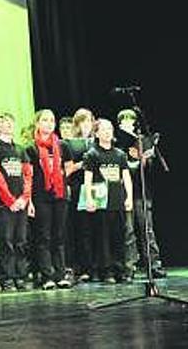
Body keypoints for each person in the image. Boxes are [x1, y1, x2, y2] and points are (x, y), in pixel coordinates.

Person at [116, 108, 166, 279]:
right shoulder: (118, 142)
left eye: (131, 119)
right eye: (124, 119)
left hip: (143, 191)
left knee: (147, 229)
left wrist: (144, 159)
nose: (128, 122)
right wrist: (129, 158)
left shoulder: (142, 139)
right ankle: (129, 266)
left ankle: (154, 264)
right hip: (125, 193)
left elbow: (151, 170)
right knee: (128, 231)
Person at [26, 109, 73, 289]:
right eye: (45, 120)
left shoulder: (62, 145)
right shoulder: (31, 148)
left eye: (52, 120)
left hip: (59, 195)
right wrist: (29, 201)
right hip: (41, 197)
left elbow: (67, 167)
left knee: (59, 236)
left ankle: (61, 274)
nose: (49, 123)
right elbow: (28, 176)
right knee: (43, 237)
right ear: (38, 123)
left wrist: (58, 177)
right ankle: (47, 276)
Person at [82, 119, 132, 283]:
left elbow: (126, 178)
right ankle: (106, 270)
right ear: (96, 133)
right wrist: (89, 198)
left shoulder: (120, 154)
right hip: (101, 201)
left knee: (119, 235)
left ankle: (120, 269)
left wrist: (129, 197)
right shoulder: (92, 154)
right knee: (102, 236)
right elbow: (87, 179)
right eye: (103, 130)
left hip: (117, 200)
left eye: (109, 129)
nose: (107, 132)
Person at [0, 113, 33, 291]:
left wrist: (24, 198)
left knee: (20, 240)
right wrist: (9, 200)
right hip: (4, 204)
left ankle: (20, 275)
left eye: (11, 122)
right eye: (4, 123)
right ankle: (7, 277)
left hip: (20, 202)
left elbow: (28, 175)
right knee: (6, 240)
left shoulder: (20, 150)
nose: (8, 125)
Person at [63, 108, 94, 281]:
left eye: (88, 121)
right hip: (76, 187)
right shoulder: (69, 143)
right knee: (77, 228)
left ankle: (92, 267)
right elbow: (67, 170)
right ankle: (77, 267)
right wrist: (83, 163)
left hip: (95, 189)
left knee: (91, 230)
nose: (86, 125)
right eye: (82, 121)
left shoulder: (96, 142)